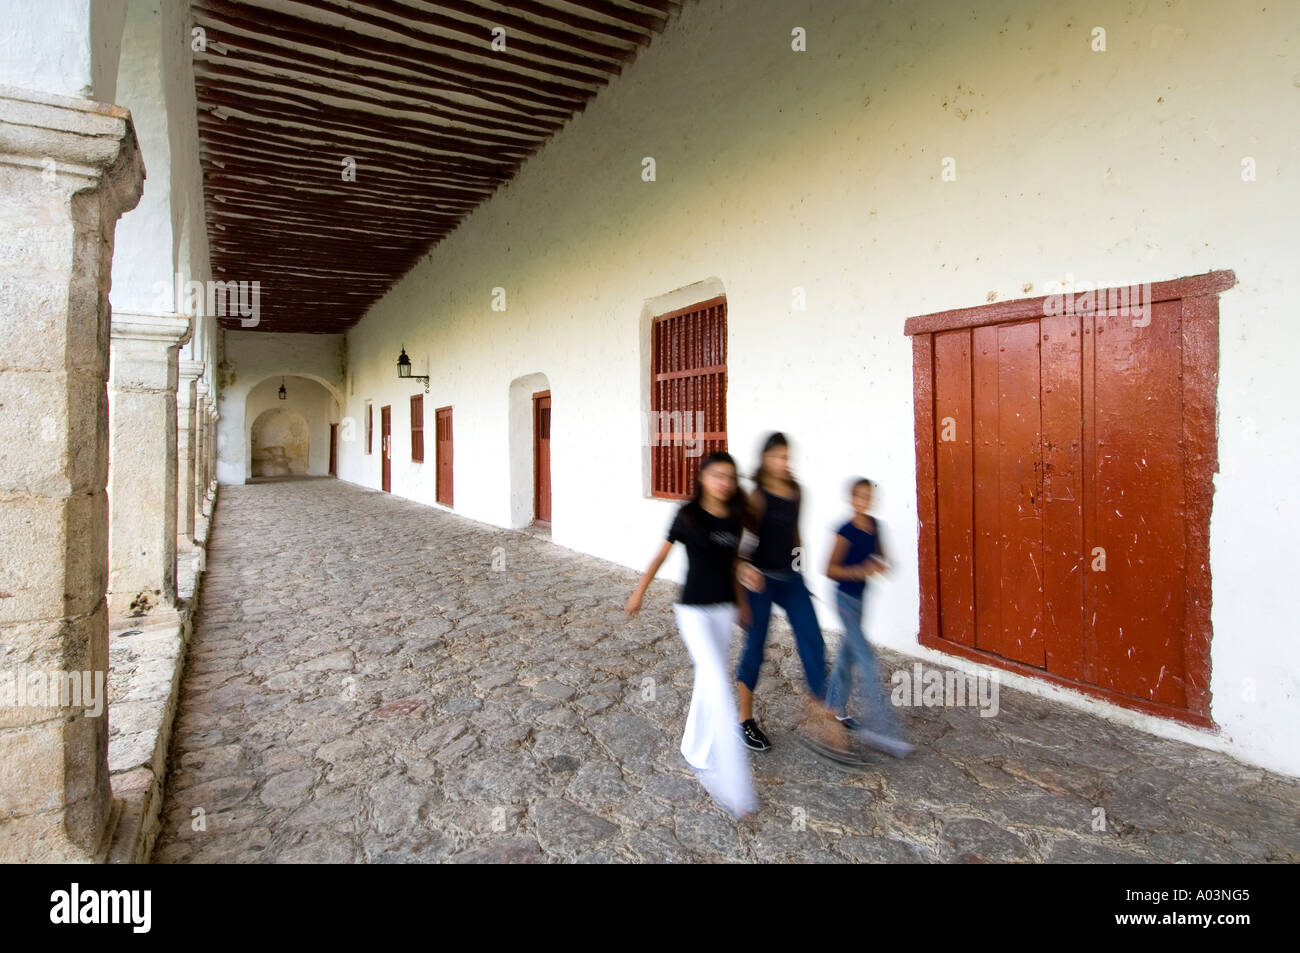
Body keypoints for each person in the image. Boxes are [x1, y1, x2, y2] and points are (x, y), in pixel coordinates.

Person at [626, 451, 759, 819]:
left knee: (707, 681)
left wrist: (742, 599)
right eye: (717, 475)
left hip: (723, 610)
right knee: (718, 683)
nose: (724, 482)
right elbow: (660, 557)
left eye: (730, 477)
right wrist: (640, 591)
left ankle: (693, 748)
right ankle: (734, 788)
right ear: (703, 478)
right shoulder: (687, 516)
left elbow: (734, 563)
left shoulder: (734, 518)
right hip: (693, 611)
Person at [735, 433, 847, 754]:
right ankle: (744, 720)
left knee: (813, 638)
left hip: (789, 577)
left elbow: (794, 530)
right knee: (755, 647)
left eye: (787, 457)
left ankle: (821, 713)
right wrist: (742, 586)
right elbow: (739, 544)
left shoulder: (796, 491)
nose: (785, 463)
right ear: (765, 459)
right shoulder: (756, 497)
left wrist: (798, 564)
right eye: (778, 457)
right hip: (760, 580)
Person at [824, 478, 915, 758]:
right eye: (860, 496)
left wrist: (881, 565)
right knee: (866, 658)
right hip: (843, 601)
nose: (865, 500)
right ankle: (882, 730)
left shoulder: (875, 527)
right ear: (852, 500)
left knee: (848, 655)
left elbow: (883, 559)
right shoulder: (845, 530)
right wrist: (861, 570)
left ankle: (833, 707)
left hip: (862, 600)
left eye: (869, 496)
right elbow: (830, 569)